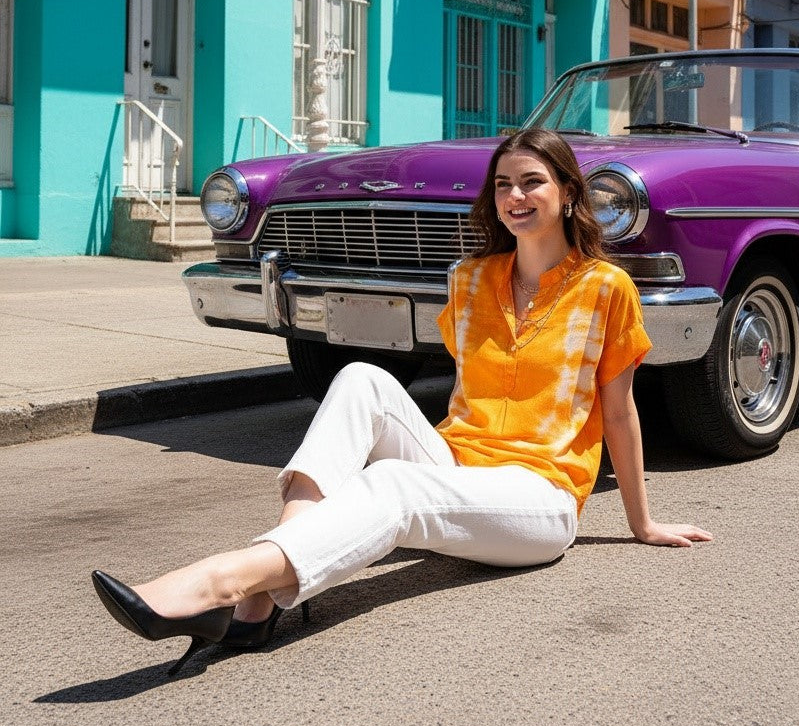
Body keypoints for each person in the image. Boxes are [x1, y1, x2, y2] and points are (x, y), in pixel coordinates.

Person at [92, 128, 712, 675]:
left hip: (539, 497)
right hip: (457, 465)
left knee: (392, 483)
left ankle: (222, 581)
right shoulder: (472, 281)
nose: (515, 197)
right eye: (503, 186)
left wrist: (642, 522)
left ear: (569, 193)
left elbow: (620, 410)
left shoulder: (607, 288)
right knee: (362, 378)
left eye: (532, 182)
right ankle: (268, 591)